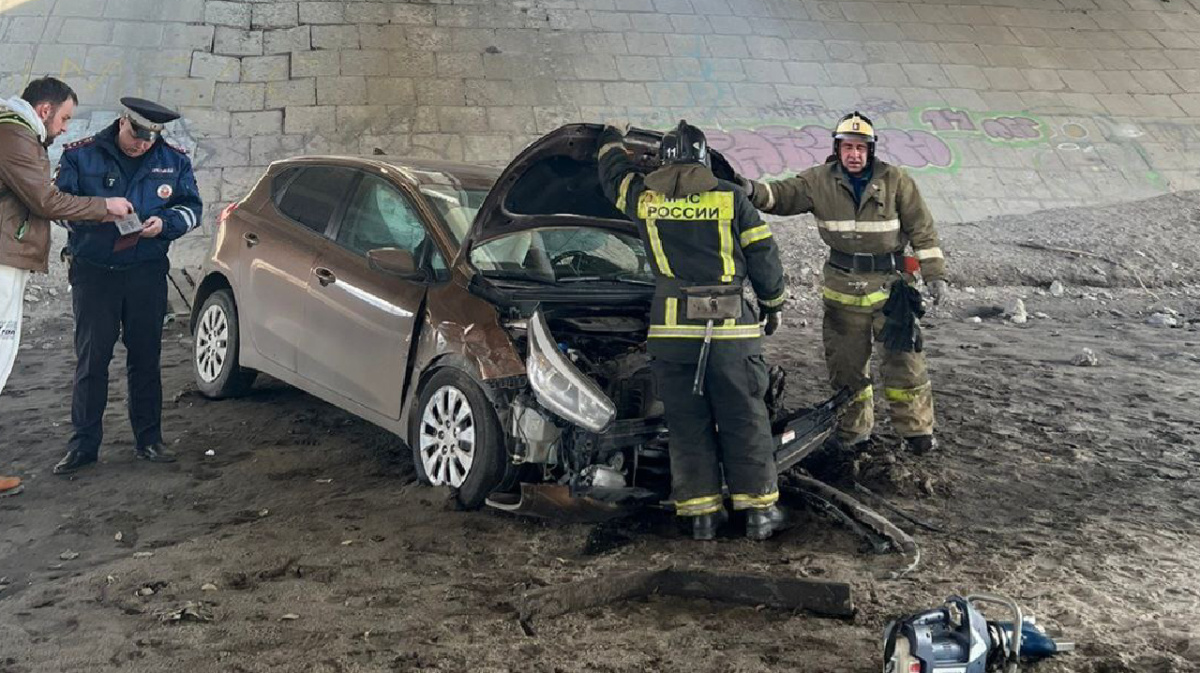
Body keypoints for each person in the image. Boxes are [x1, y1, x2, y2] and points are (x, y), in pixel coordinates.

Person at [598, 120, 789, 541]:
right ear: (703, 161)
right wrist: (773, 306)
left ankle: (701, 516)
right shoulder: (731, 199)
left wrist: (610, 140)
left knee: (688, 425)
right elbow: (763, 256)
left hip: (672, 336)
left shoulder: (644, 199)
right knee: (744, 420)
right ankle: (758, 515)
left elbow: (614, 178)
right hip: (730, 338)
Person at [738, 111, 947, 453]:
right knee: (846, 371)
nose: (854, 154)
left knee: (905, 364)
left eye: (860, 148)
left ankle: (916, 434)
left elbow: (923, 231)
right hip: (842, 293)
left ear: (871, 150)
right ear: (837, 149)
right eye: (847, 147)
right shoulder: (818, 181)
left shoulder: (897, 181)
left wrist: (934, 274)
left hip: (891, 290)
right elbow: (778, 196)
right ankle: (854, 434)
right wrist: (746, 187)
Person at [51, 97, 202, 475]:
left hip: (146, 273)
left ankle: (149, 439)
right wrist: (100, 215)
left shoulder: (174, 160)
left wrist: (164, 225)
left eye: (150, 139)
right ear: (123, 122)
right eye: (137, 136)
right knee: (92, 360)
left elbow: (191, 208)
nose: (142, 145)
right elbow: (58, 207)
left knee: (146, 359)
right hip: (94, 271)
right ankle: (83, 446)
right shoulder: (80, 156)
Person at [0, 76, 134, 494]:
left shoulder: (15, 134)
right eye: (65, 118)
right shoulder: (16, 136)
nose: (65, 128)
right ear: (44, 111)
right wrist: (103, 207)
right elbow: (45, 200)